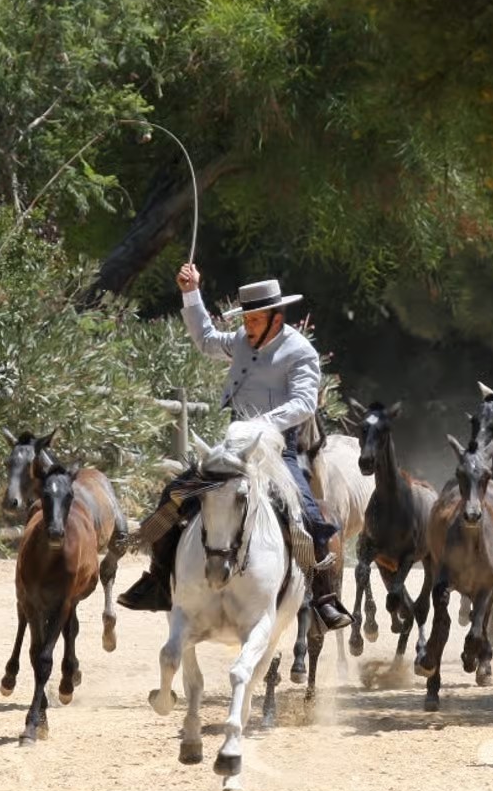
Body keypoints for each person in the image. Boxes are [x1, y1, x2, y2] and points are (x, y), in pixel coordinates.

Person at [117, 264, 353, 631]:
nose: (248, 326)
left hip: (277, 449)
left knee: (308, 514)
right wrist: (191, 292)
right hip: (233, 447)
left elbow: (304, 403)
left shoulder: (300, 352)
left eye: (255, 320)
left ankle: (323, 598)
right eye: (246, 319)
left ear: (276, 318)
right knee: (175, 493)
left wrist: (261, 424)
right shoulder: (243, 339)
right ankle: (158, 580)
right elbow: (206, 340)